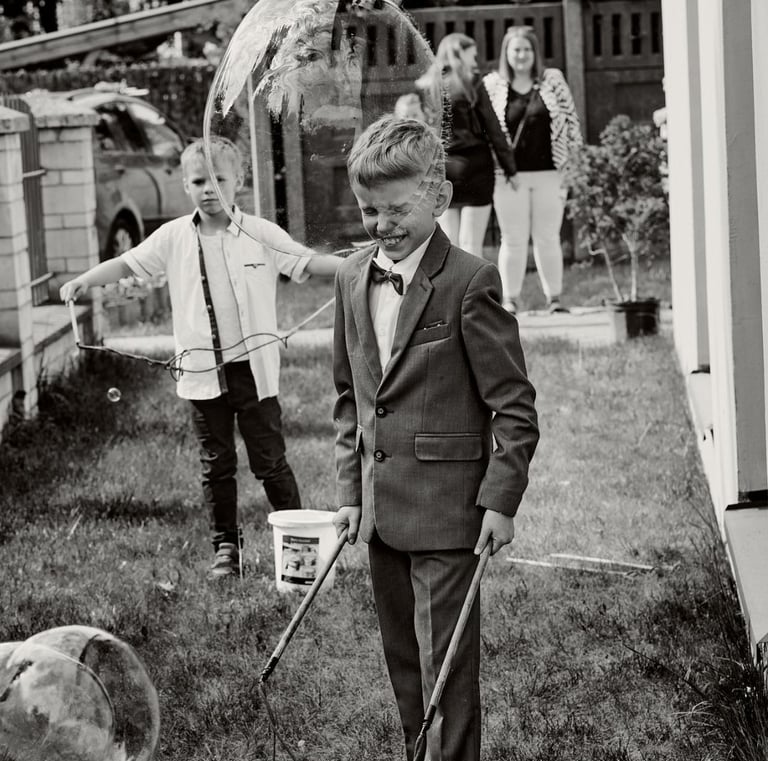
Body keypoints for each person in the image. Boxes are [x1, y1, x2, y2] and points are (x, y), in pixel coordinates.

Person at [331, 115, 539, 761]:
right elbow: (350, 397)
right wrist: (349, 491)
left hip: (451, 511)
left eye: (396, 209)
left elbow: (514, 405)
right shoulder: (350, 278)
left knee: (446, 666)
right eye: (369, 211)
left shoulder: (470, 280)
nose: (382, 224)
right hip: (381, 511)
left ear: (439, 197)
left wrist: (499, 500)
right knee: (406, 662)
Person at [59, 136, 340, 579]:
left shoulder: (260, 234)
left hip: (254, 372)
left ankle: (298, 544)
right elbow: (129, 264)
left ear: (239, 182)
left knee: (270, 460)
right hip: (202, 374)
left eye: (219, 179)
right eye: (198, 180)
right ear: (186, 187)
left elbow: (306, 262)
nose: (209, 188)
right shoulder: (172, 237)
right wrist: (84, 280)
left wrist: (353, 266)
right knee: (216, 464)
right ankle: (226, 548)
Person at [482, 25, 583, 314]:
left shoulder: (552, 81)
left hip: (551, 173)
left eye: (527, 49)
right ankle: (510, 300)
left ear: (535, 52)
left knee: (548, 236)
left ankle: (555, 299)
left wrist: (574, 166)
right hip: (508, 178)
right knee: (512, 238)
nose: (522, 55)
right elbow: (487, 131)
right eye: (516, 49)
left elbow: (571, 122)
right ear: (506, 53)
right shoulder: (493, 85)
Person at [415, 33, 517, 259]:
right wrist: (510, 168)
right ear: (459, 53)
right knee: (472, 243)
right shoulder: (472, 82)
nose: (475, 60)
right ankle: (475, 292)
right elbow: (493, 128)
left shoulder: (426, 85)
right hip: (476, 167)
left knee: (448, 241)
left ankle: (451, 292)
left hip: (443, 169)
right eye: (473, 55)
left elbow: (421, 133)